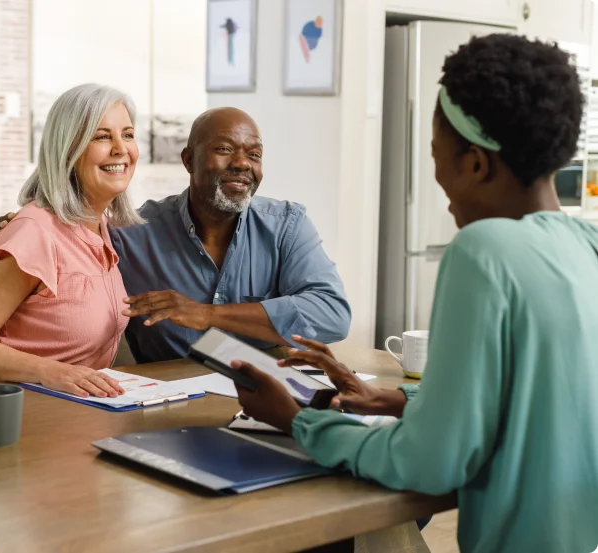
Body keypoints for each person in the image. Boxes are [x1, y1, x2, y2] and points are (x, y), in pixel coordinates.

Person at [230, 34, 598, 553]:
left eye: (437, 155)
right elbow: (542, 395)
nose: (438, 175)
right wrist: (401, 399)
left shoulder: (483, 250)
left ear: (474, 163)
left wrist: (300, 421)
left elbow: (431, 461)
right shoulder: (589, 244)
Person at [0, 108, 351, 364]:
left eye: (253, 154)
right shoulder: (131, 234)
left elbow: (333, 315)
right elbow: (62, 243)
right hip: (167, 401)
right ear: (188, 160)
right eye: (224, 149)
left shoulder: (287, 225)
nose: (242, 163)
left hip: (263, 396)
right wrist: (14, 232)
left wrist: (208, 315)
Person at [0, 83, 139, 398]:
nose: (120, 148)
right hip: (16, 424)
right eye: (101, 136)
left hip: (77, 418)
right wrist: (49, 371)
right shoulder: (34, 232)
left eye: (127, 134)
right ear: (68, 148)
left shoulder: (101, 230)